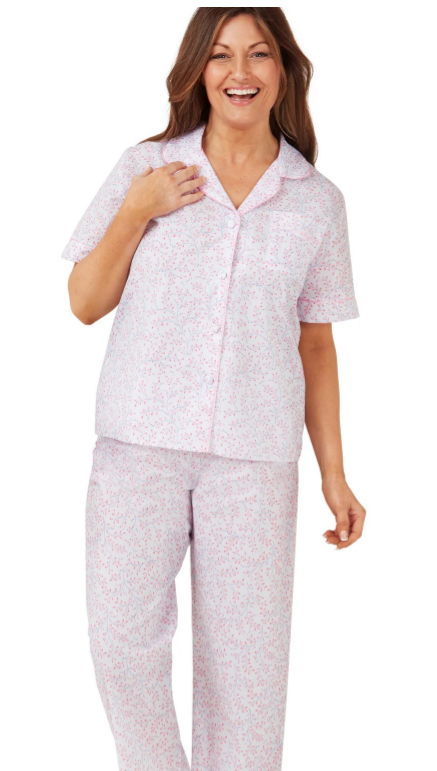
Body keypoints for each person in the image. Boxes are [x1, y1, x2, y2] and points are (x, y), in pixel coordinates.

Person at [61, 7, 366, 771]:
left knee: (247, 676)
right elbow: (85, 301)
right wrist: (138, 210)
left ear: (283, 71)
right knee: (120, 644)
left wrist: (333, 474)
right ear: (198, 69)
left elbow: (316, 343)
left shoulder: (315, 200)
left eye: (258, 54)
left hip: (253, 459)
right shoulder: (146, 169)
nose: (239, 72)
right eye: (221, 55)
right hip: (138, 445)